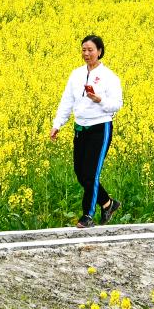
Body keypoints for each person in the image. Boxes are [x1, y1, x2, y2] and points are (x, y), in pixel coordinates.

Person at [50, 34, 124, 227]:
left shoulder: (109, 77)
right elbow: (67, 101)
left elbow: (117, 104)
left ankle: (87, 215)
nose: (87, 53)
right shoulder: (76, 75)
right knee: (80, 173)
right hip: (80, 127)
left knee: (91, 174)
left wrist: (99, 100)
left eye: (90, 50)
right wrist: (57, 124)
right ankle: (108, 203)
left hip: (100, 127)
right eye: (84, 50)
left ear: (100, 51)